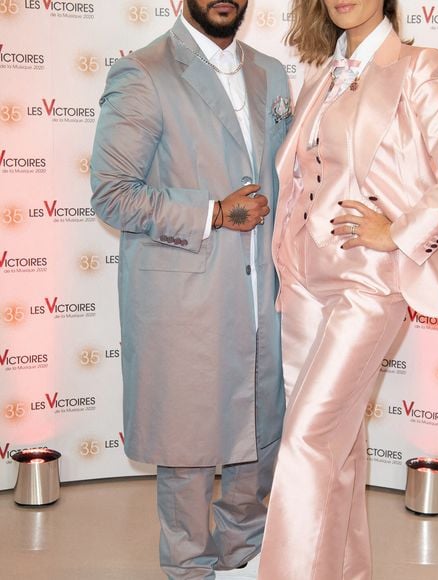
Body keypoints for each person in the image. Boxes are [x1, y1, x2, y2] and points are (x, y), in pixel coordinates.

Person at [258, 1, 438, 579]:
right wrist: (287, 263)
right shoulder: (321, 74)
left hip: (367, 288)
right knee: (336, 453)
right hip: (304, 285)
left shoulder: (416, 66)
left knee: (306, 446)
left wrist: (397, 232)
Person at [90, 1, 291, 578]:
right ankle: (189, 569)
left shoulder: (271, 72)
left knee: (259, 442)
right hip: (186, 302)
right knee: (188, 458)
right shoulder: (144, 71)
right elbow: (112, 193)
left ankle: (243, 561)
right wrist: (211, 212)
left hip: (263, 299)